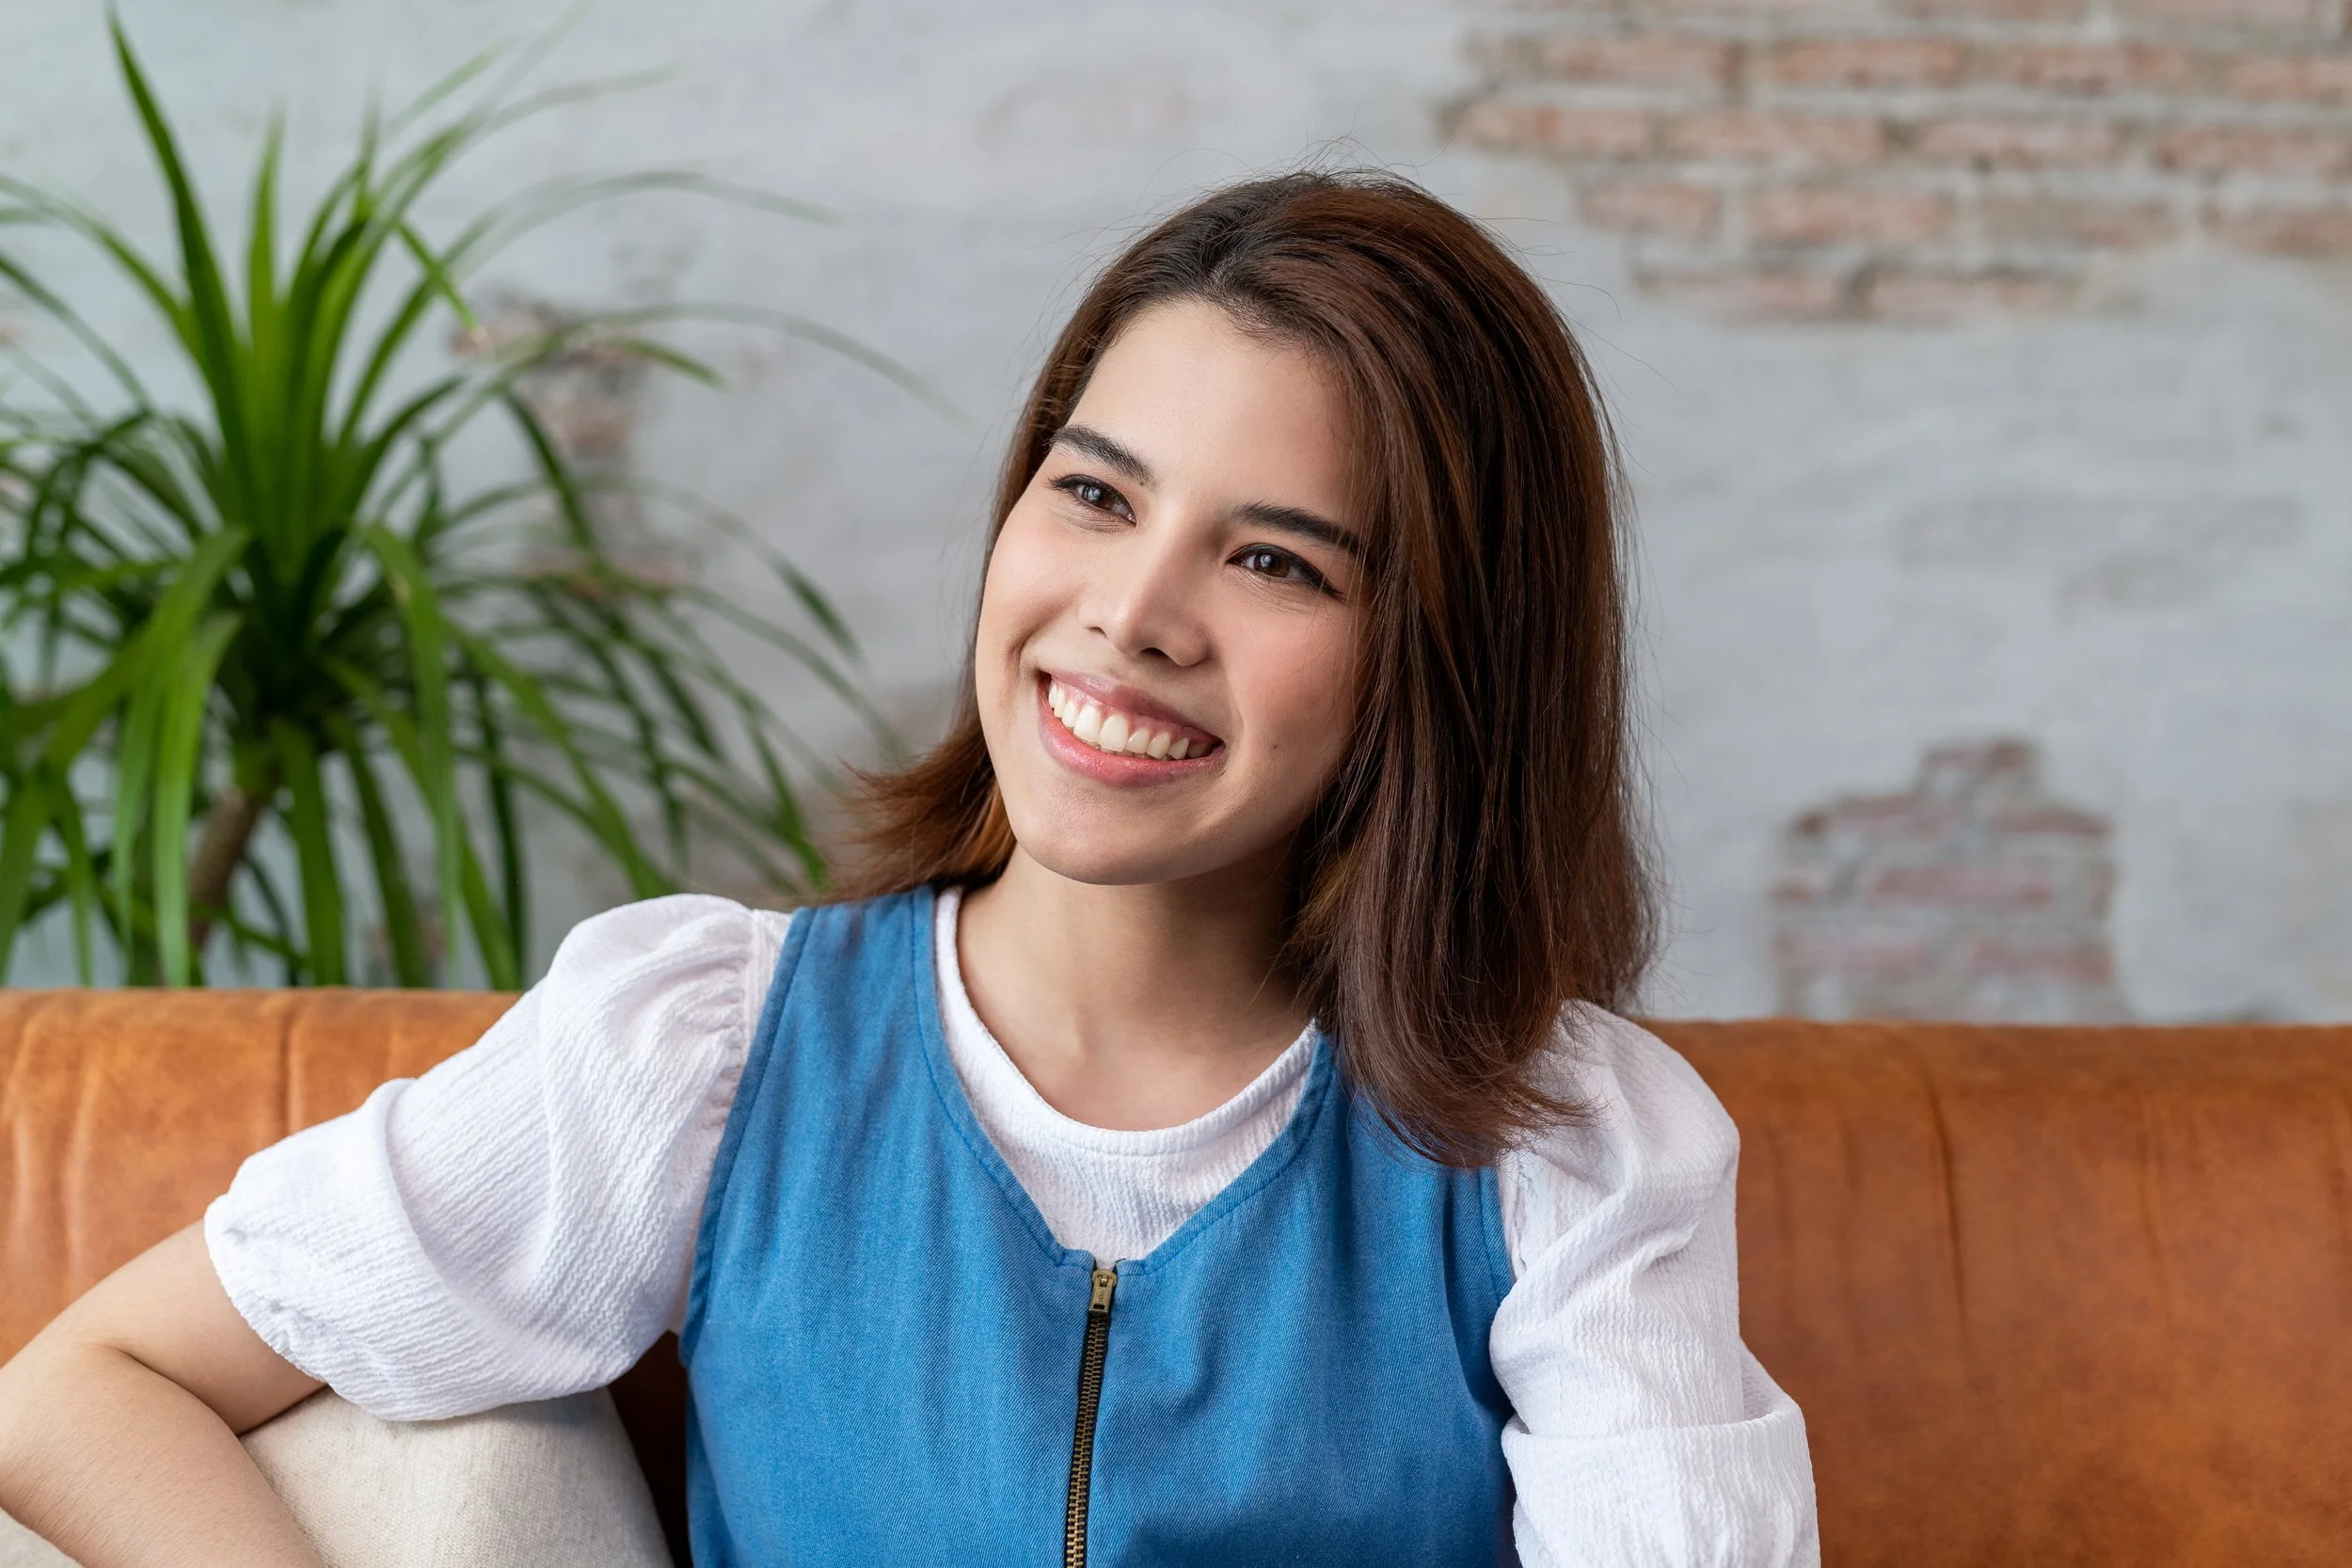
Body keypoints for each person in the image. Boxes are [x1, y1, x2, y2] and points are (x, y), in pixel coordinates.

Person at [0, 170, 1818, 1566]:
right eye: (1094, 494)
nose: (1128, 615)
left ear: (1443, 655)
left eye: (1276, 562)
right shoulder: (695, 1051)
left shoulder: (1564, 1152)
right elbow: (88, 1389)